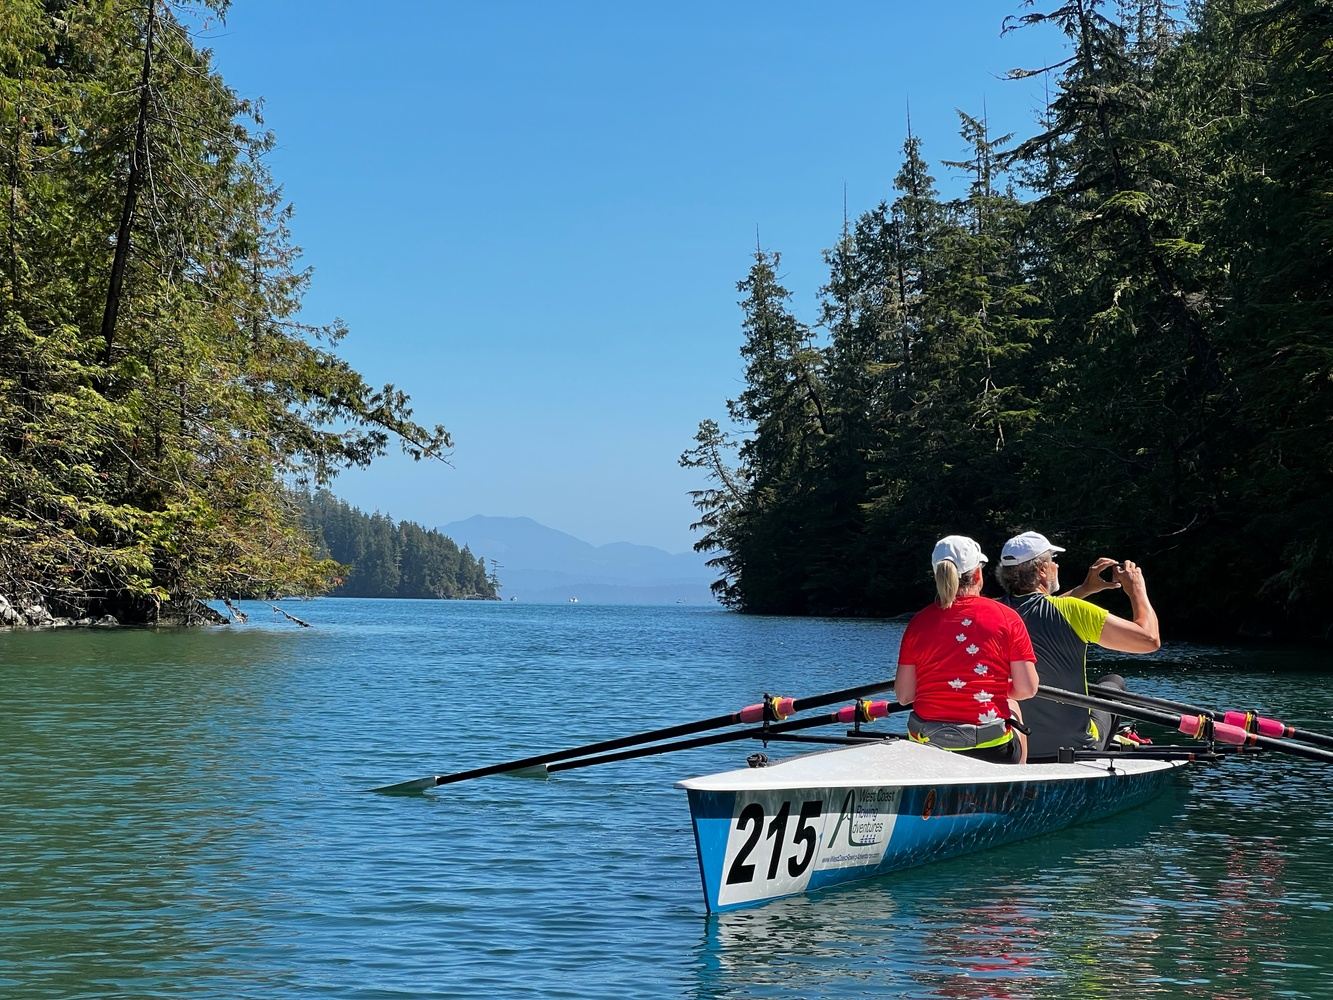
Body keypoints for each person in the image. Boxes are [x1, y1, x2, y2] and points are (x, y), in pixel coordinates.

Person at [995, 530, 1161, 760]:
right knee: (1113, 683)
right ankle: (1109, 743)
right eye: (1053, 561)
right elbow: (1149, 640)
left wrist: (1086, 589)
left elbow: (1036, 610)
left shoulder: (990, 612)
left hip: (1012, 743)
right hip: (1074, 747)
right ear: (1042, 570)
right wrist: (1136, 590)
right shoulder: (1073, 610)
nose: (1057, 567)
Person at [895, 535, 1040, 764]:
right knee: (1013, 705)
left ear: (937, 576)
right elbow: (1027, 689)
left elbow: (904, 696)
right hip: (992, 748)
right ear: (978, 575)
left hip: (928, 745)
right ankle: (1018, 783)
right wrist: (994, 690)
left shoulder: (918, 623)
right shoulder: (1007, 618)